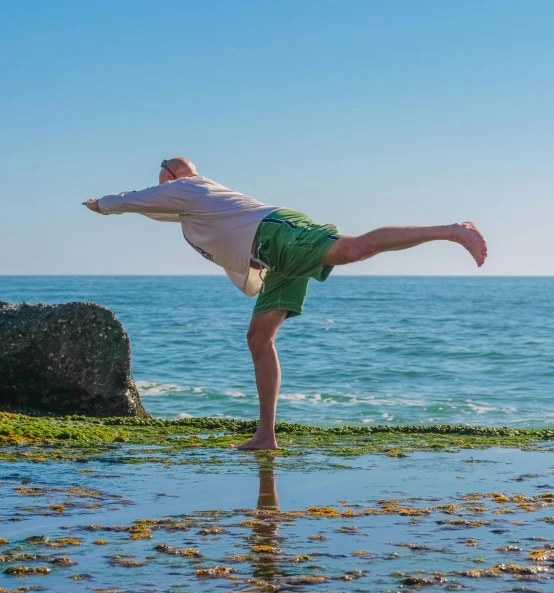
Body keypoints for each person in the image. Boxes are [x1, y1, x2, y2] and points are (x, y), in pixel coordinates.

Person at [84, 156, 487, 450]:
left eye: (163, 181)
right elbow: (152, 208)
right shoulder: (192, 205)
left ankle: (452, 231)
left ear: (171, 175)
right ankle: (266, 435)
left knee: (353, 249)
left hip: (276, 235)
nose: (161, 189)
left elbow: (136, 199)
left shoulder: (187, 187)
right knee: (259, 339)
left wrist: (102, 204)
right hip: (272, 253)